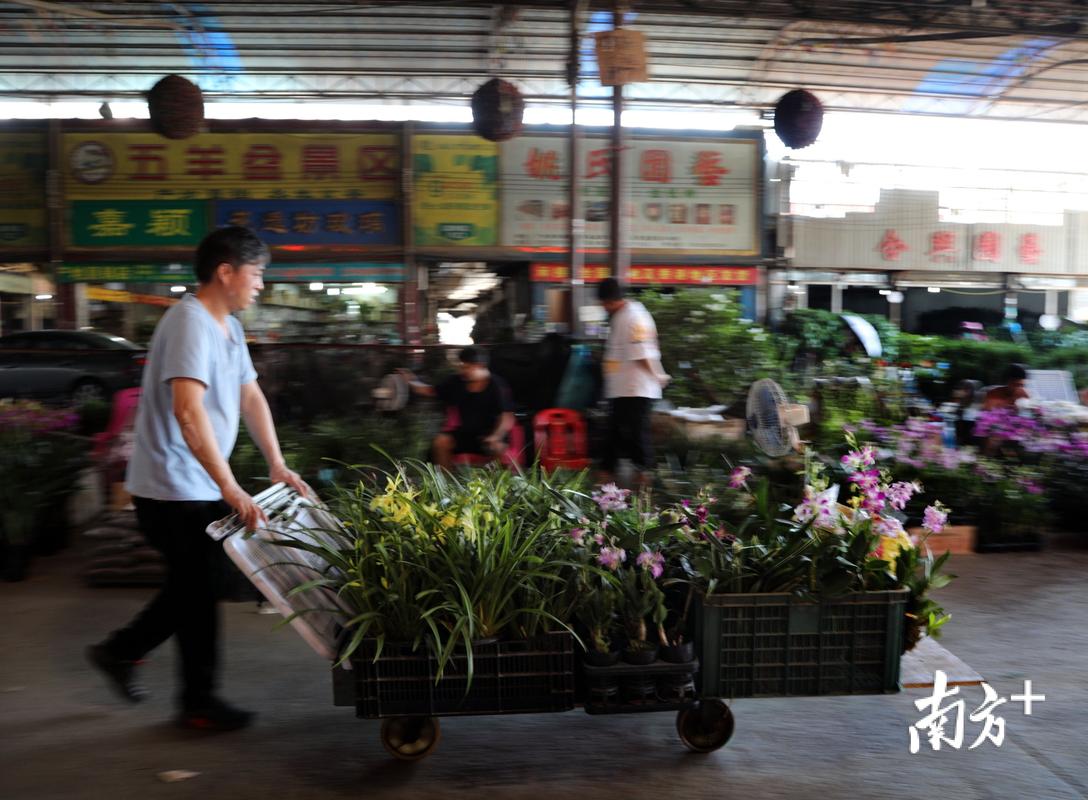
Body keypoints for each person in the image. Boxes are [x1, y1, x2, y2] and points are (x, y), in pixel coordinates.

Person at [86, 226, 310, 732]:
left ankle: (177, 688)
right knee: (202, 582)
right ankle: (157, 674)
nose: (260, 286)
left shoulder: (227, 325)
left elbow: (250, 396)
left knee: (199, 584)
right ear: (225, 271)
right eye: (255, 275)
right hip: (170, 488)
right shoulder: (190, 324)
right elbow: (188, 413)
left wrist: (276, 462)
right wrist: (231, 487)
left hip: (198, 485)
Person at [596, 277, 670, 487]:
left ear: (608, 301)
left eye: (602, 304)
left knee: (636, 431)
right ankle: (608, 470)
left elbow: (642, 353)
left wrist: (658, 375)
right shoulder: (623, 315)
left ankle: (643, 475)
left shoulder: (634, 316)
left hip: (636, 386)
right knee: (616, 429)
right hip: (624, 386)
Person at [399, 346, 515, 468]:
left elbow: (507, 416)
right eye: (462, 366)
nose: (463, 371)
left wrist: (496, 436)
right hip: (467, 434)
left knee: (497, 448)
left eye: (467, 367)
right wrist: (411, 381)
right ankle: (446, 484)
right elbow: (430, 391)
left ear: (480, 366)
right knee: (441, 442)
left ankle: (501, 483)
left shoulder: (497, 385)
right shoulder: (456, 381)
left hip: (492, 434)